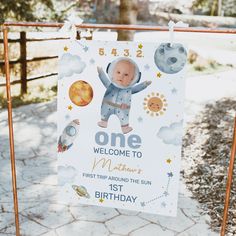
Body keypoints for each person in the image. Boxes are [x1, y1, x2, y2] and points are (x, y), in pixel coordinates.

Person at [97, 57, 151, 134]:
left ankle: (125, 127)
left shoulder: (128, 89)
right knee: (104, 112)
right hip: (108, 104)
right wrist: (101, 72)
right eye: (118, 72)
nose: (121, 76)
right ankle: (103, 121)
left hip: (123, 108)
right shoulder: (111, 86)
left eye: (126, 75)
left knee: (124, 117)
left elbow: (136, 89)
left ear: (133, 79)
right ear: (112, 72)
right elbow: (105, 80)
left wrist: (144, 84)